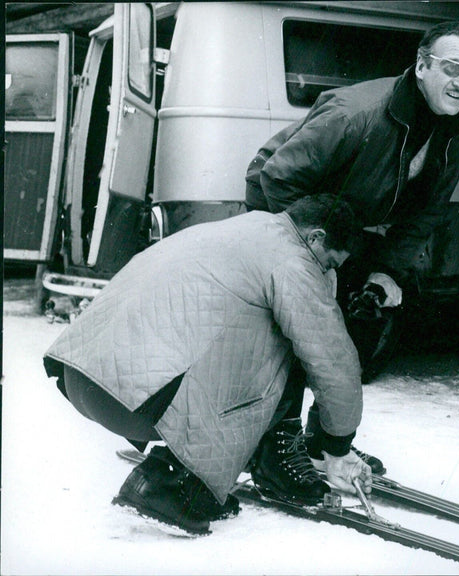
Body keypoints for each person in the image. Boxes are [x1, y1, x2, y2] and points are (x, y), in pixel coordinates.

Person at [244, 21, 459, 498]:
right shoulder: (358, 112)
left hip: (350, 227)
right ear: (421, 66)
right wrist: (315, 257)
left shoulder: (455, 133)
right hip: (285, 211)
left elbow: (428, 212)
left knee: (363, 319)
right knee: (295, 328)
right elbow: (275, 178)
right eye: (451, 68)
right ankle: (276, 446)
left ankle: (322, 437)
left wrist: (385, 271)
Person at [43, 194, 373, 536]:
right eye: (330, 262)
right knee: (286, 338)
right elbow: (333, 360)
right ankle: (170, 481)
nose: (329, 272)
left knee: (235, 317)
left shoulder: (243, 227)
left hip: (87, 377)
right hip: (137, 403)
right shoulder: (293, 261)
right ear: (315, 237)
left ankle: (227, 461)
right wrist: (336, 445)